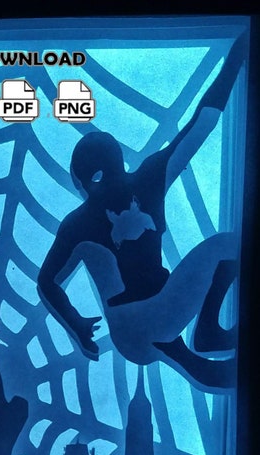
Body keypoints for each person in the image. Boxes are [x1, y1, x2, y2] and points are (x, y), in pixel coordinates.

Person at [37, 34, 246, 391]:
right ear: (118, 162)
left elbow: (46, 281)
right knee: (227, 246)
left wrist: (77, 324)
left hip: (129, 330)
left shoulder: (78, 222)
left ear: (84, 181)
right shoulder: (149, 177)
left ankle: (193, 349)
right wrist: (236, 60)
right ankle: (207, 331)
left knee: (195, 361)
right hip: (159, 309)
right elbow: (202, 122)